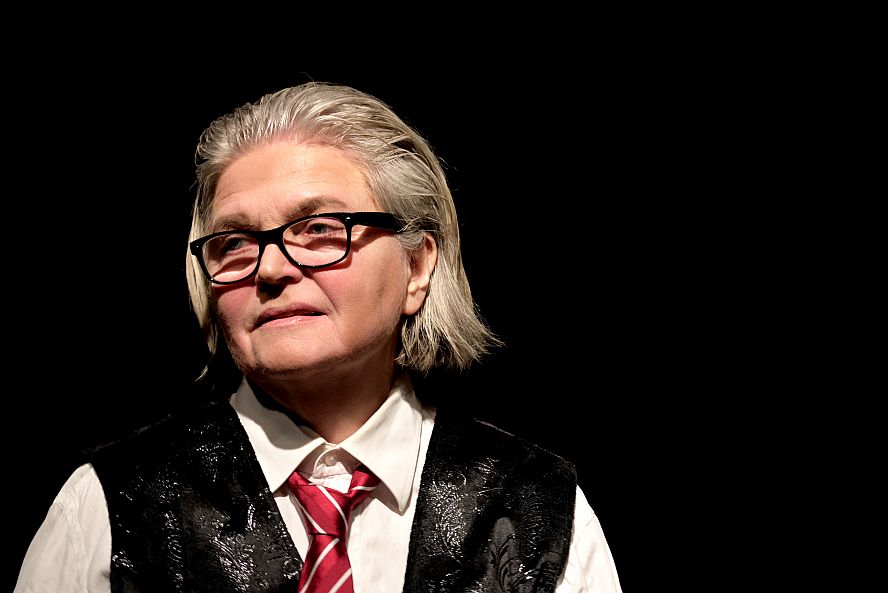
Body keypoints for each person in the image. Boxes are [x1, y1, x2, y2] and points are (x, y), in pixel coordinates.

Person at [14, 81, 623, 592]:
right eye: (234, 242)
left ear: (416, 266)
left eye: (319, 229)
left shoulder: (539, 508)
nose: (272, 269)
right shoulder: (109, 506)